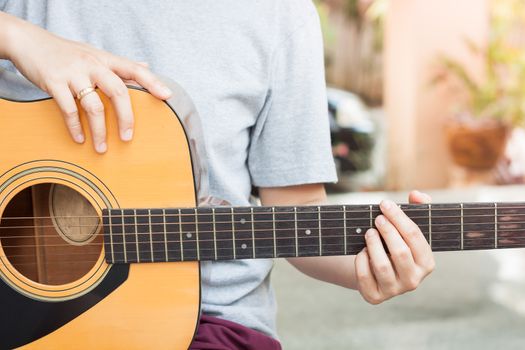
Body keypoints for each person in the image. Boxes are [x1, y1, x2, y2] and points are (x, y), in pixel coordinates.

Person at [0, 1, 435, 349]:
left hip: (209, 325)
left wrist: (375, 261)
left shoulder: (280, 15)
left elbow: (297, 210)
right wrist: (17, 36)